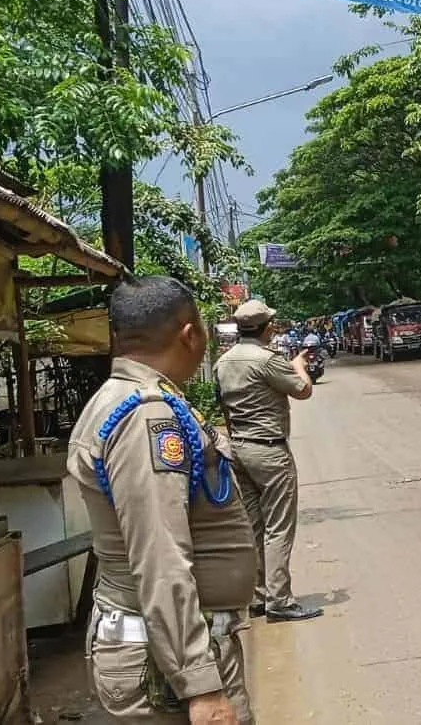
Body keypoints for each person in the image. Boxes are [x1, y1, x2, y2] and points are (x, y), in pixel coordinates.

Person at [65, 276, 255, 724]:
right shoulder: (147, 416)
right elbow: (160, 556)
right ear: (191, 334)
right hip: (164, 662)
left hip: (165, 650)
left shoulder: (130, 401)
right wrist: (201, 684)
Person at [215, 300, 323, 623]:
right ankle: (280, 600)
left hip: (239, 448)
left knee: (253, 526)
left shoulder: (223, 362)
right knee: (278, 526)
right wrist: (299, 364)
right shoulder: (267, 360)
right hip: (269, 451)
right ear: (265, 328)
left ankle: (258, 596)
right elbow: (303, 390)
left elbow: (223, 408)